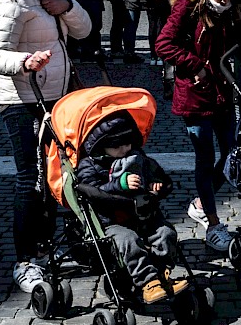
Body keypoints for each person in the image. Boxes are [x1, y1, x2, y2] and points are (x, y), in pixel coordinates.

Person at [0, 0, 92, 293]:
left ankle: (56, 246)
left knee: (61, 176)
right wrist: (25, 61)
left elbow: (82, 32)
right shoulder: (10, 0)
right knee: (30, 180)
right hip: (22, 100)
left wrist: (69, 7)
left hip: (57, 96)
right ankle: (25, 259)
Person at [156, 0, 241, 254]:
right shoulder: (188, 8)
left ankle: (201, 204)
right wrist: (196, 65)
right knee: (206, 157)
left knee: (232, 155)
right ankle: (213, 223)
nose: (226, 3)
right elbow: (163, 44)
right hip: (196, 94)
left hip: (222, 93)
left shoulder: (230, 12)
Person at [75, 111, 188, 304]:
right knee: (129, 240)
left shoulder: (136, 156)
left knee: (166, 233)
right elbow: (92, 190)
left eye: (127, 144)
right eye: (117, 146)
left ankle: (161, 273)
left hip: (141, 215)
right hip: (110, 222)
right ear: (102, 146)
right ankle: (148, 282)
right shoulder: (90, 165)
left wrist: (155, 183)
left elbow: (154, 173)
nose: (124, 149)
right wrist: (120, 184)